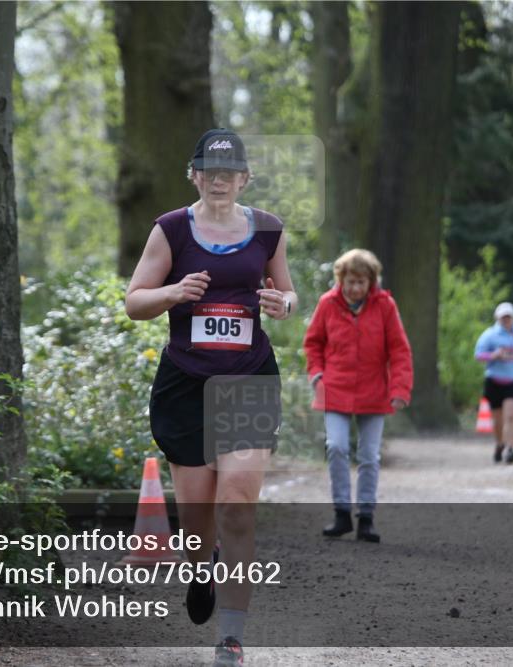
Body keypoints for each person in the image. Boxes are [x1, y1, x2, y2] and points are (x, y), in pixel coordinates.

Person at [125, 128, 296, 667]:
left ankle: (232, 635)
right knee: (197, 519)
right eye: (209, 171)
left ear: (244, 178)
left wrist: (284, 303)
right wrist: (174, 292)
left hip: (247, 377)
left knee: (237, 505)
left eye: (230, 172)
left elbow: (288, 290)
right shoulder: (171, 230)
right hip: (186, 382)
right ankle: (202, 570)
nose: (219, 180)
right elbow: (135, 302)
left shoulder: (267, 230)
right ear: (194, 174)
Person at [303, 249, 413, 543]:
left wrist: (400, 389)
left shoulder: (385, 306)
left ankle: (366, 517)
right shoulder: (327, 304)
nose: (354, 288)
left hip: (373, 389)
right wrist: (317, 374)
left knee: (368, 456)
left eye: (361, 282)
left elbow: (399, 350)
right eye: (350, 281)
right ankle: (341, 513)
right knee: (336, 447)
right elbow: (313, 343)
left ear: (371, 282)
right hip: (335, 388)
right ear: (341, 279)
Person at [474, 302, 513, 464]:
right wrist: (494, 355)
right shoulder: (489, 335)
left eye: (508, 316)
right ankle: (499, 444)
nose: (506, 319)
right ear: (498, 318)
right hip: (494, 380)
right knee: (498, 419)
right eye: (503, 317)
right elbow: (478, 355)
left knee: (510, 416)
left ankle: (510, 449)